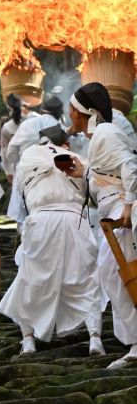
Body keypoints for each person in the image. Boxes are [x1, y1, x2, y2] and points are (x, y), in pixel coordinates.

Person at [0, 124, 104, 355]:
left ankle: (28, 341)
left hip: (41, 220)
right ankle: (95, 338)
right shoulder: (78, 158)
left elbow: (20, 202)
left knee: (30, 279)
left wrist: (21, 230)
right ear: (64, 143)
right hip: (74, 221)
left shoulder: (29, 156)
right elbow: (95, 196)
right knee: (86, 279)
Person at [67, 83, 137, 369]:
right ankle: (134, 343)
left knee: (116, 274)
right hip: (114, 213)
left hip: (124, 212)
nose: (69, 114)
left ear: (85, 112)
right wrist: (83, 174)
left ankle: (135, 344)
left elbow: (130, 167)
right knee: (113, 275)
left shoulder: (106, 132)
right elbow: (104, 184)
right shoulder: (97, 140)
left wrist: (130, 209)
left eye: (72, 109)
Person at [6, 95, 63, 232]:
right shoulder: (60, 127)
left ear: (43, 109)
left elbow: (11, 151)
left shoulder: (27, 124)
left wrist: (16, 166)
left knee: (24, 217)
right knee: (49, 216)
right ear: (60, 113)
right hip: (51, 177)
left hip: (25, 173)